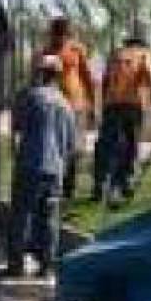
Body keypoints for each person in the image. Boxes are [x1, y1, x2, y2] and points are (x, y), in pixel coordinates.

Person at [4, 55, 79, 280]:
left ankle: (16, 264)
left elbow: (17, 126)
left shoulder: (30, 97)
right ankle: (47, 266)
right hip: (54, 169)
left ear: (41, 73)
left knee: (21, 215)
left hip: (30, 164)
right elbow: (70, 144)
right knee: (49, 218)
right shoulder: (66, 104)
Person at [92, 31, 151, 204]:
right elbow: (148, 75)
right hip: (133, 103)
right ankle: (125, 183)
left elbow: (106, 80)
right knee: (131, 145)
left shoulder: (116, 54)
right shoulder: (145, 54)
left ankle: (100, 184)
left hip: (112, 104)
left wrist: (103, 104)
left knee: (107, 144)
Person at [37, 15, 96, 199]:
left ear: (67, 34)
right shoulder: (46, 52)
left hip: (75, 106)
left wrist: (92, 105)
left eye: (62, 33)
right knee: (54, 147)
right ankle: (56, 186)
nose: (58, 37)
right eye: (56, 33)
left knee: (74, 148)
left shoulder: (77, 50)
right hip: (53, 107)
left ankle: (68, 190)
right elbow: (38, 78)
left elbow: (87, 77)